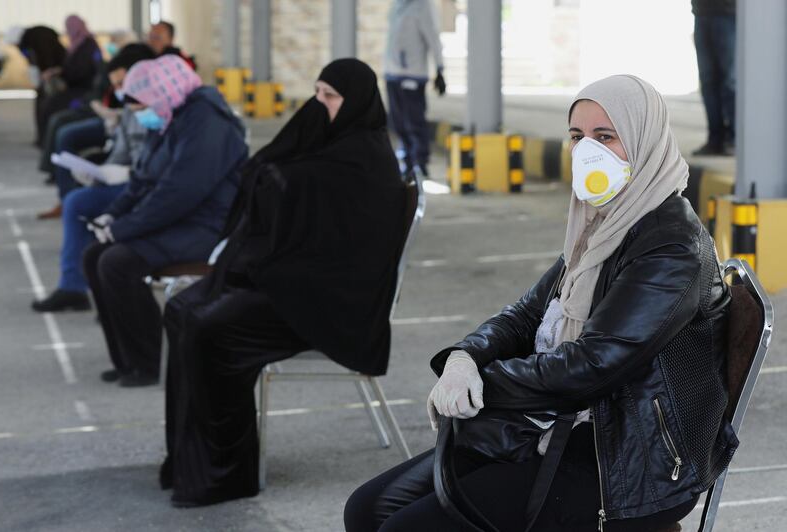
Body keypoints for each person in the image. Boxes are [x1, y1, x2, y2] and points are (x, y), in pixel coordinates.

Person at [345, 75, 737, 531]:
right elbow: (528, 313)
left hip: (629, 464)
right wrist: (463, 358)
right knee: (368, 508)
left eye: (606, 136)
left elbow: (593, 365)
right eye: (577, 137)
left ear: (644, 140)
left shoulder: (671, 245)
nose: (587, 150)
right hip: (566, 426)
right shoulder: (600, 224)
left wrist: (484, 384)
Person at [159, 58, 407, 508]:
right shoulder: (336, 145)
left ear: (356, 102)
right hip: (298, 286)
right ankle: (187, 459)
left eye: (330, 97)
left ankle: (226, 474)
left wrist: (280, 182)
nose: (319, 104)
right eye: (317, 93)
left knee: (209, 329)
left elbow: (343, 248)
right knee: (180, 310)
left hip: (331, 307)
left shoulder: (366, 159)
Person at [81, 54, 248, 387]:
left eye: (141, 106)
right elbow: (144, 178)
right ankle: (126, 361)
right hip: (182, 220)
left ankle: (145, 364)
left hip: (211, 227)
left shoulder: (207, 121)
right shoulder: (169, 113)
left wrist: (123, 229)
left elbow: (180, 191)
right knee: (94, 256)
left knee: (117, 262)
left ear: (161, 93)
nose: (139, 114)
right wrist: (113, 214)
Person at [31, 44, 155, 313]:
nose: (123, 92)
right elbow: (120, 154)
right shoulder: (131, 110)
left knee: (81, 204)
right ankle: (77, 287)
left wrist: (130, 174)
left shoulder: (162, 110)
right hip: (131, 183)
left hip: (148, 188)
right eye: (118, 86)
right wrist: (97, 175)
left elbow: (167, 169)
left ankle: (91, 289)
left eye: (124, 83)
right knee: (81, 198)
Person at [384, 0, 446, 178]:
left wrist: (440, 69)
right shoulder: (396, 5)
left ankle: (420, 163)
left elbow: (433, 37)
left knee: (414, 121)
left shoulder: (423, 6)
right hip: (392, 73)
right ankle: (407, 161)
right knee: (397, 122)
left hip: (413, 73)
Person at [36, 15, 102, 143]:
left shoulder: (87, 45)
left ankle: (49, 143)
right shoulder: (78, 44)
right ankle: (46, 142)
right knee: (47, 102)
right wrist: (58, 71)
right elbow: (71, 67)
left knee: (52, 106)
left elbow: (80, 72)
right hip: (76, 86)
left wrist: (62, 75)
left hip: (83, 89)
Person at [691, 0, 736, 156]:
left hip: (727, 13)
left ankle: (733, 139)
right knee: (708, 80)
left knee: (729, 80)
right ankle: (715, 139)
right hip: (701, 12)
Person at [16, 25, 67, 145]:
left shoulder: (35, 40)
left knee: (47, 109)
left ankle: (45, 139)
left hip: (52, 81)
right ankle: (45, 139)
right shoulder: (36, 39)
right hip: (49, 80)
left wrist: (49, 72)